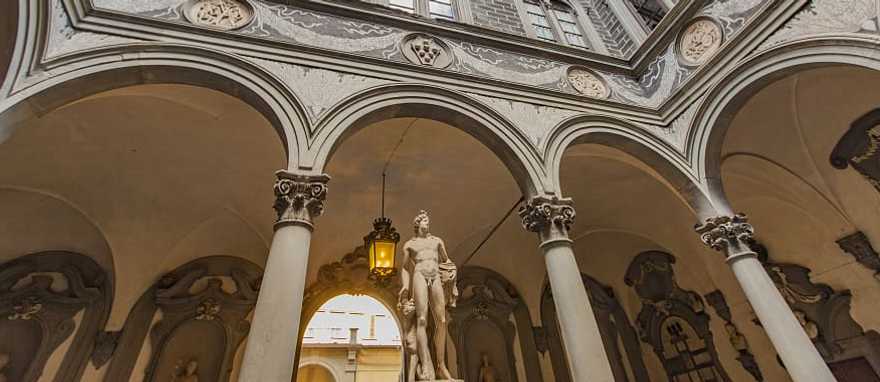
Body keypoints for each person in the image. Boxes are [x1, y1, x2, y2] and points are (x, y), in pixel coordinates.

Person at [399, 210, 456, 380]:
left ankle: (441, 366)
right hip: (419, 274)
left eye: (428, 220)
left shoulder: (437, 241)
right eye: (424, 220)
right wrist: (405, 286)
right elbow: (404, 267)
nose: (427, 222)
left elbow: (446, 261)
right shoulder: (409, 245)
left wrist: (453, 271)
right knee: (422, 319)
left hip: (435, 275)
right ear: (417, 224)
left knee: (442, 321)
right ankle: (425, 366)